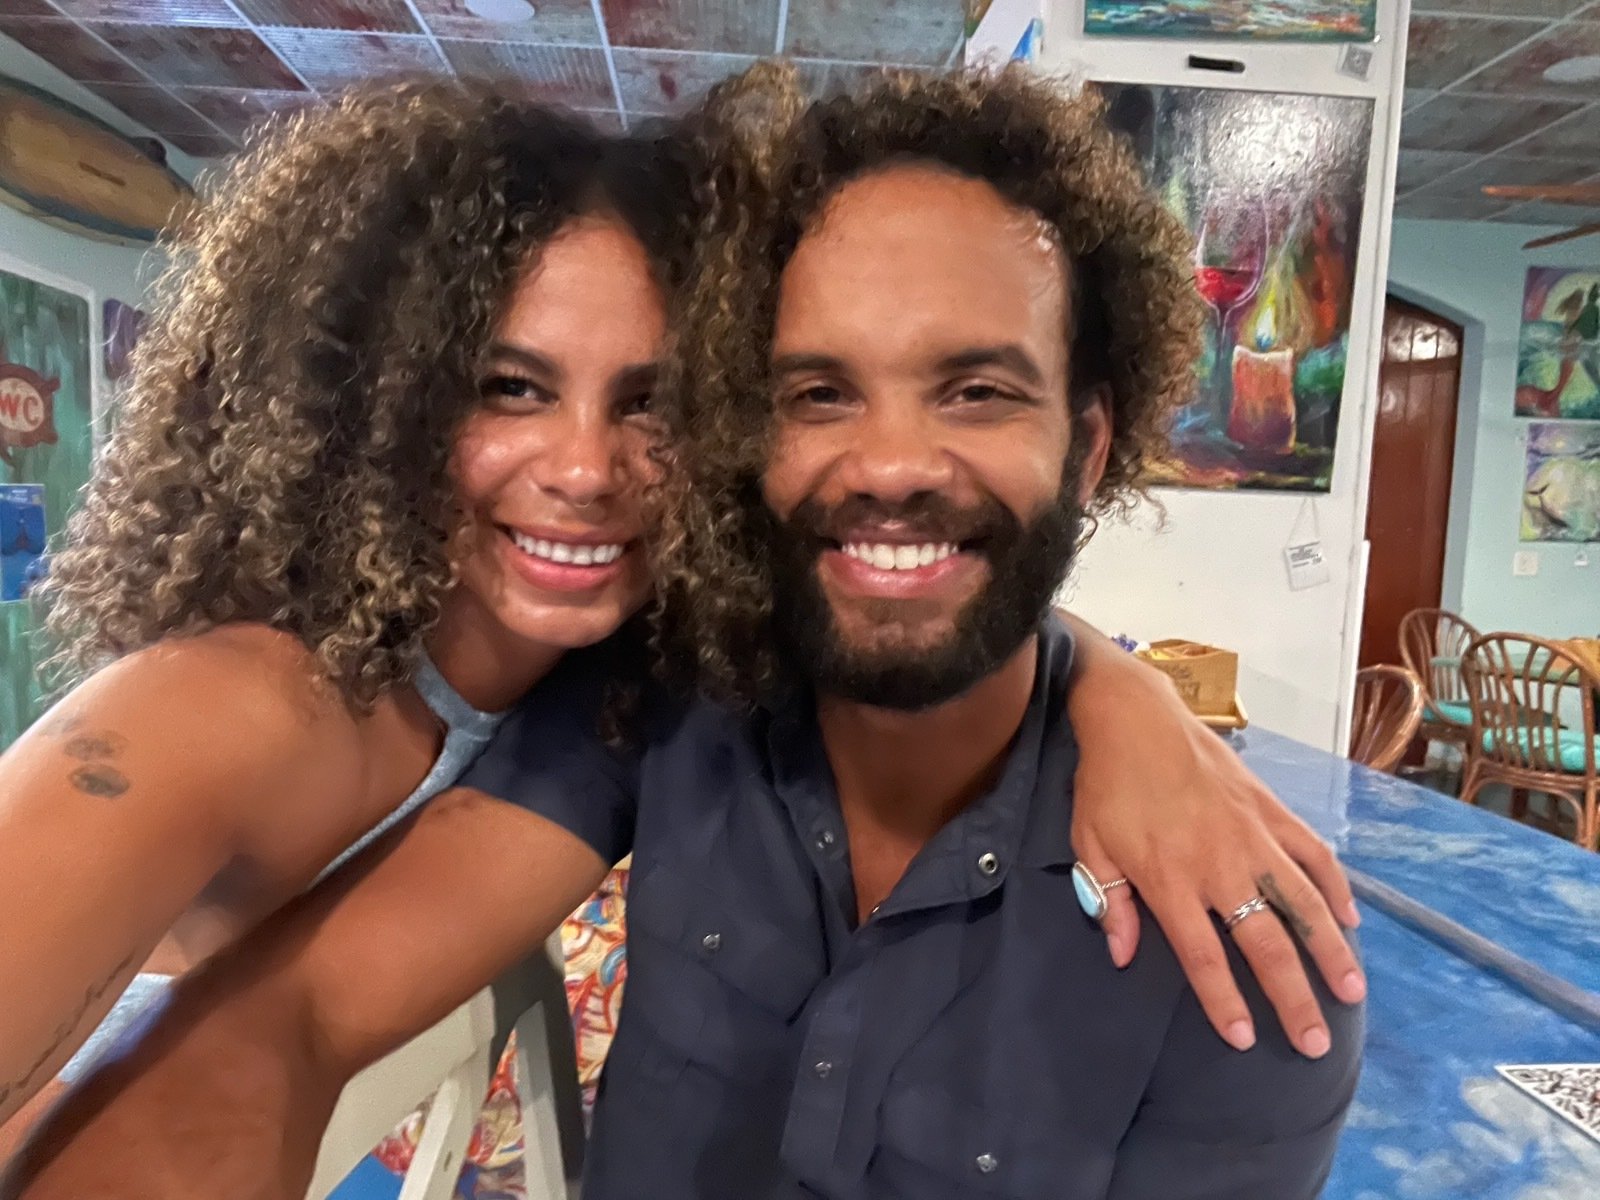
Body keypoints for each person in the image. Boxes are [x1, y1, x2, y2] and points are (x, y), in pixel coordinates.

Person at [2, 63, 1364, 1199]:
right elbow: (272, 1029)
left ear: (1088, 449)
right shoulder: (604, 700)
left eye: (977, 392)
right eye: (819, 393)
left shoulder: (1252, 974)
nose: (587, 471)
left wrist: (1116, 692)